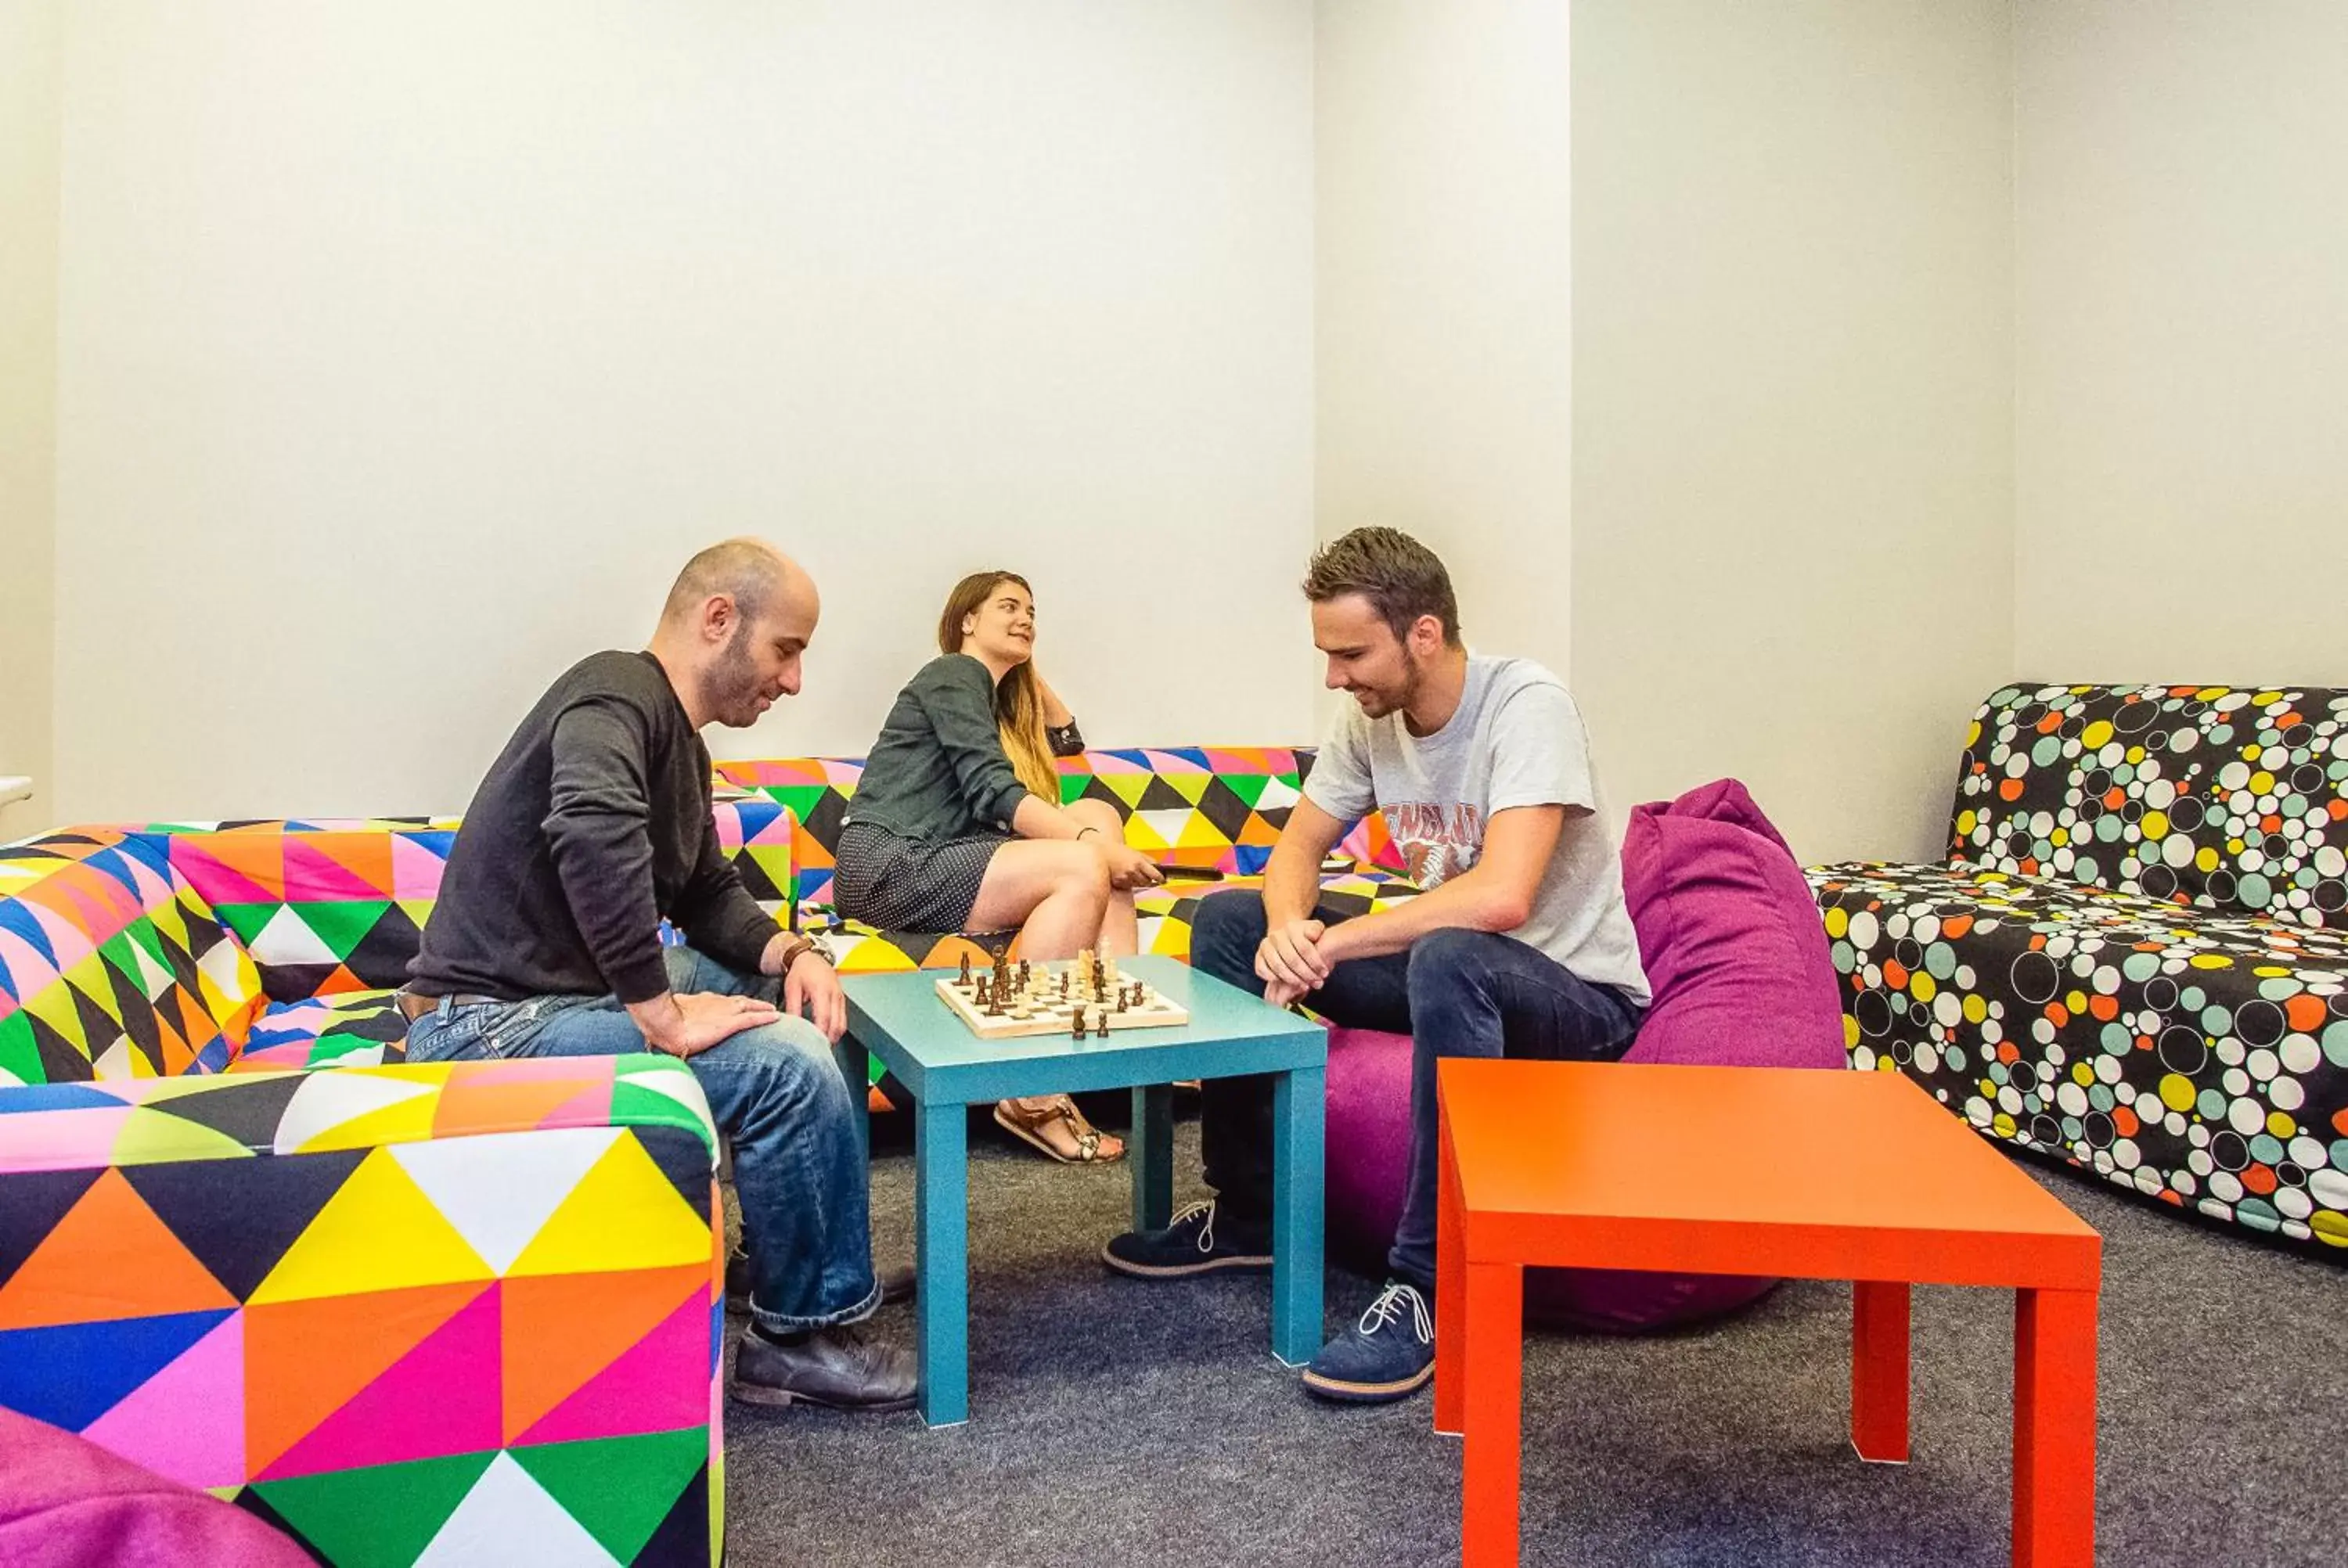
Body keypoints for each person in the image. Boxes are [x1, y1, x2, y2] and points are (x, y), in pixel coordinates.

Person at [1101, 527, 1651, 1404]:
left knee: (1449, 953)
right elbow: (1294, 854)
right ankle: (1249, 1211)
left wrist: (1339, 941)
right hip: (1455, 974)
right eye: (1328, 654)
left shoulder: (1527, 706)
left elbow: (1503, 897)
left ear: (1423, 634)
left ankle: (1431, 1286)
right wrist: (1286, 927)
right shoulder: (1370, 718)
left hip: (1574, 997)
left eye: (1351, 653)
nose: (1334, 676)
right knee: (1230, 920)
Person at [400, 538, 917, 1413]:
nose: (793, 681)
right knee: (783, 1061)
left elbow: (706, 893)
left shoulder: (677, 743)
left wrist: (797, 955)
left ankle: (788, 1264)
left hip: (553, 1000)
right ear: (720, 620)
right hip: (482, 1027)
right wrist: (660, 1013)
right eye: (787, 650)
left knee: (785, 998)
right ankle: (795, 1341)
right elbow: (590, 830)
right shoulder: (613, 690)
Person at [833, 570, 1164, 1163]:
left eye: (1033, 612)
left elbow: (1067, 741)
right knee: (1086, 864)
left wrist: (1021, 669)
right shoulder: (952, 673)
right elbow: (993, 792)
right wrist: (1094, 846)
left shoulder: (987, 694)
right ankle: (1028, 1089)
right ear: (966, 621)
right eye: (1008, 606)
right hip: (889, 861)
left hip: (937, 858)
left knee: (1096, 812)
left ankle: (1116, 1018)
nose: (1026, 619)